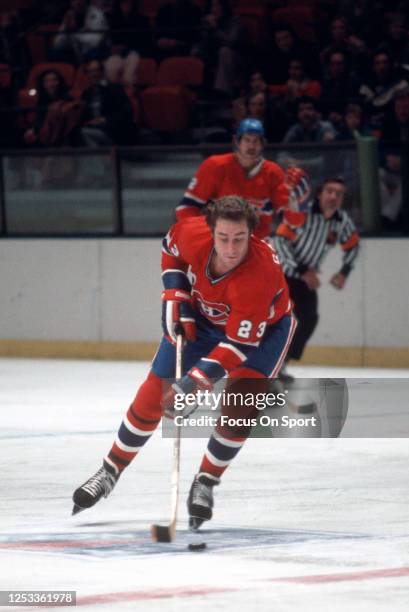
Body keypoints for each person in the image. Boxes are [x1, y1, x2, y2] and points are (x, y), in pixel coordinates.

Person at [72, 196, 296, 528]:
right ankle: (110, 470)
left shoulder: (260, 274)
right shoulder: (190, 232)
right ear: (211, 231)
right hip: (204, 320)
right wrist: (175, 293)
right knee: (152, 395)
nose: (231, 248)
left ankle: (206, 480)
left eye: (239, 238)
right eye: (223, 238)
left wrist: (194, 382)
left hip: (263, 335)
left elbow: (237, 347)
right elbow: (170, 249)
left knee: (240, 404)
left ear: (252, 233)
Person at [274, 176, 360, 380]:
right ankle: (262, 365)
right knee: (276, 321)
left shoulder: (341, 221)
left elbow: (353, 245)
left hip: (305, 280)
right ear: (320, 193)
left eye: (339, 194)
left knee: (309, 320)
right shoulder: (302, 212)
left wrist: (344, 272)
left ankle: (281, 363)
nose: (334, 197)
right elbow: (280, 241)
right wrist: (302, 269)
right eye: (330, 191)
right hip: (280, 275)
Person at [176, 117, 305, 240]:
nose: (251, 146)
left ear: (263, 143)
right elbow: (186, 208)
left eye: (256, 141)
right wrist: (203, 235)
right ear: (236, 141)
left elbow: (291, 222)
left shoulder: (274, 173)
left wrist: (296, 204)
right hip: (220, 243)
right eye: (247, 140)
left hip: (258, 244)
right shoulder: (214, 166)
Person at [80, 58, 134, 145]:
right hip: (93, 127)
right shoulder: (87, 93)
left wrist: (104, 120)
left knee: (84, 133)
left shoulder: (115, 89)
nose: (93, 74)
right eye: (90, 71)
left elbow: (126, 112)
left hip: (111, 129)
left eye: (96, 70)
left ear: (102, 72)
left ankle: (97, 158)